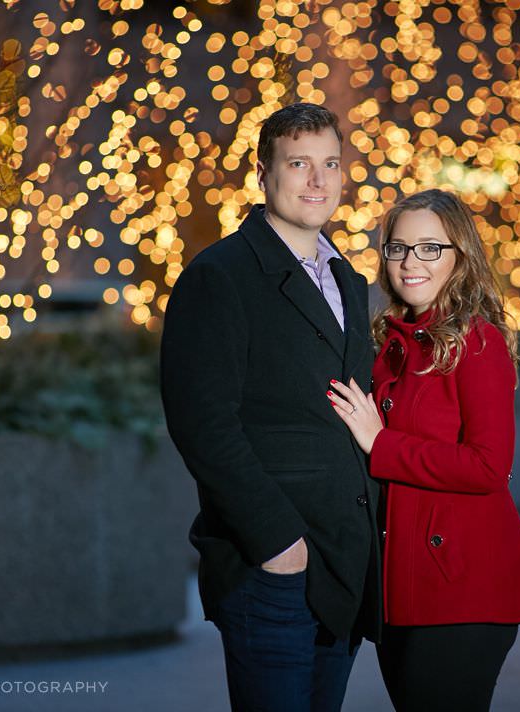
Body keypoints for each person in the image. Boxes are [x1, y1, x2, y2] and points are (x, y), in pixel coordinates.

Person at [160, 102, 380, 712]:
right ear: (264, 173)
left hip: (344, 559)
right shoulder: (220, 276)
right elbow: (203, 426)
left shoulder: (349, 279)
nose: (318, 180)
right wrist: (280, 543)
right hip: (272, 562)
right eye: (299, 163)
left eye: (330, 163)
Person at [327, 188, 520, 712]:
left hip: (461, 587)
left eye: (430, 248)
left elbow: (490, 467)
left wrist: (382, 443)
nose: (410, 262)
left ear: (460, 257)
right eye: (398, 248)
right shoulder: (392, 346)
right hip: (402, 585)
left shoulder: (478, 342)